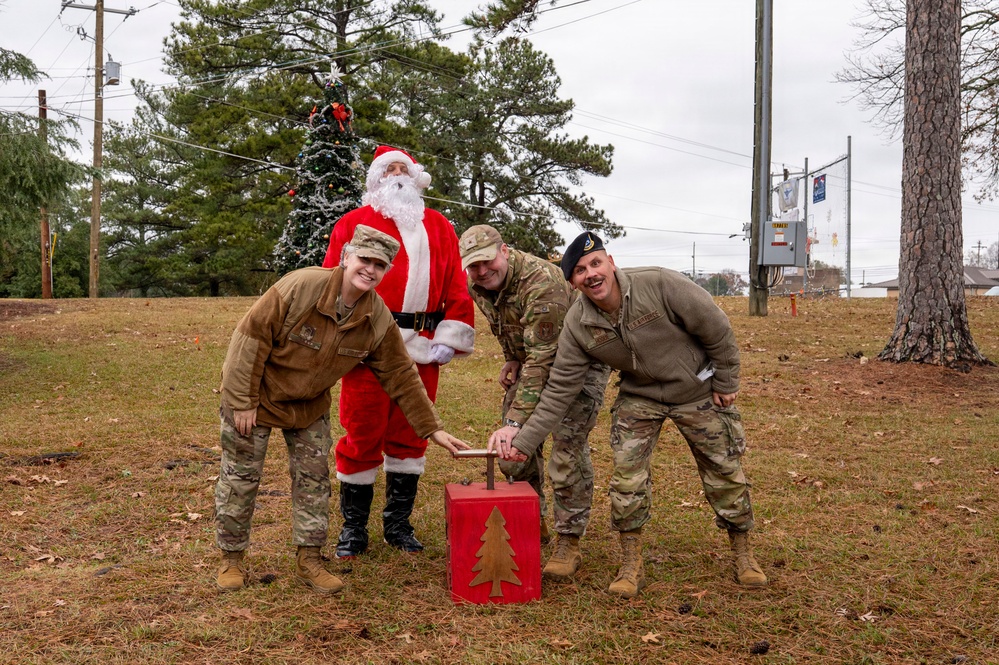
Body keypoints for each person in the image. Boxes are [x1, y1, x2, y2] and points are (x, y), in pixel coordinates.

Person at [489, 231, 767, 598]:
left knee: (724, 471)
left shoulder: (659, 283)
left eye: (596, 263)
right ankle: (630, 561)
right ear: (572, 281)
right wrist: (524, 442)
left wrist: (727, 379)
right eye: (580, 271)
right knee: (626, 480)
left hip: (696, 391)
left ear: (610, 263)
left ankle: (744, 553)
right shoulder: (578, 323)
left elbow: (716, 328)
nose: (591, 274)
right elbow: (560, 391)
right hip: (640, 396)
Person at [215, 225, 470, 594]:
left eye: (379, 265)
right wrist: (241, 401)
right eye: (364, 259)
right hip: (256, 398)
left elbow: (401, 374)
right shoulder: (299, 286)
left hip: (308, 405)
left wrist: (432, 428)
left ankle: (310, 560)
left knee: (314, 483)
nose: (370, 269)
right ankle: (231, 561)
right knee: (240, 480)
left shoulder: (376, 317)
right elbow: (249, 338)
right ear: (346, 257)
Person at [321, 146, 475, 558]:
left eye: (403, 168)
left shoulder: (441, 226)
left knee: (411, 435)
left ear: (417, 177)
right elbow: (330, 281)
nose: (397, 175)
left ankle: (398, 524)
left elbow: (458, 286)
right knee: (362, 432)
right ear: (375, 179)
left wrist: (451, 334)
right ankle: (354, 529)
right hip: (364, 348)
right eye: (388, 169)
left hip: (424, 348)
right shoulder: (352, 224)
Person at [459, 224, 610, 581]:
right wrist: (512, 356)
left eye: (487, 261)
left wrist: (514, 423)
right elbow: (506, 326)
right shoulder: (478, 285)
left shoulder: (542, 283)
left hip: (580, 364)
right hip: (535, 362)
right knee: (512, 455)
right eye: (473, 265)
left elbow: (546, 359)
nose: (481, 271)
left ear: (505, 251)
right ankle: (530, 519)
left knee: (566, 449)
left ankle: (568, 541)